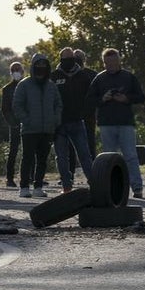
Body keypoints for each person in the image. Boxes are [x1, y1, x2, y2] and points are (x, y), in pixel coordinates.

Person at [85, 48, 145, 198]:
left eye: (113, 62)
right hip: (106, 123)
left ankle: (137, 187)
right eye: (107, 63)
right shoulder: (99, 79)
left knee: (130, 155)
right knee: (109, 158)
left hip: (125, 122)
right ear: (104, 63)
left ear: (119, 61)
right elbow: (89, 100)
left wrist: (126, 99)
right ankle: (111, 188)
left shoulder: (128, 77)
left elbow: (140, 97)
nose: (110, 65)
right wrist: (103, 99)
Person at [13, 53, 60, 198]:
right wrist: (26, 120)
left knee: (42, 160)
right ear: (33, 67)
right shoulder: (24, 85)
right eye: (38, 65)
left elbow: (58, 104)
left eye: (44, 65)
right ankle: (24, 187)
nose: (41, 68)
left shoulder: (51, 86)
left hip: (47, 129)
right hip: (29, 129)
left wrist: (54, 120)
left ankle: (38, 186)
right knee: (27, 158)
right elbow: (17, 105)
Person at [51, 47, 94, 193]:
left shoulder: (83, 76)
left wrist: (85, 113)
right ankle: (66, 185)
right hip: (60, 124)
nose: (68, 62)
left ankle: (94, 182)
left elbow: (90, 97)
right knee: (61, 156)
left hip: (77, 121)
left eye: (71, 59)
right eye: (65, 59)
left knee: (84, 155)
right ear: (60, 60)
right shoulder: (54, 77)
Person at [72, 49, 99, 161]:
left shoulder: (93, 75)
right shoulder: (68, 75)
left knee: (90, 143)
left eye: (80, 58)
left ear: (84, 60)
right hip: (72, 115)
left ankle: (93, 172)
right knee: (71, 146)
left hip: (89, 115)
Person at [1, 61, 23, 187]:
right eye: (14, 70)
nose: (16, 72)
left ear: (23, 71)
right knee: (13, 150)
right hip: (14, 124)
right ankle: (9, 178)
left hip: (28, 123)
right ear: (10, 72)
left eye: (18, 69)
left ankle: (30, 176)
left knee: (30, 151)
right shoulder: (7, 89)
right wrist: (12, 123)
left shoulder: (28, 86)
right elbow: (5, 109)